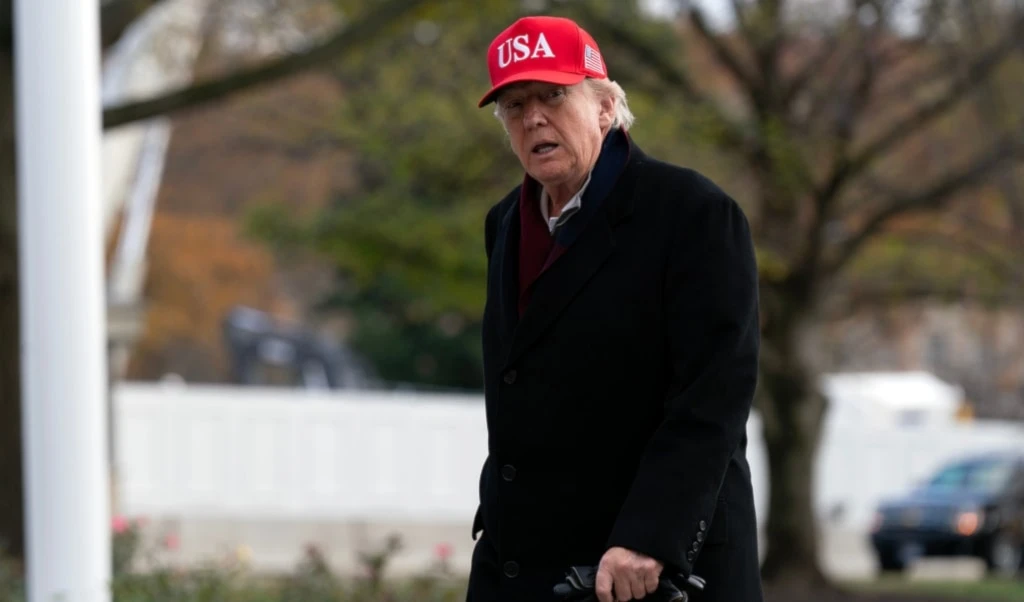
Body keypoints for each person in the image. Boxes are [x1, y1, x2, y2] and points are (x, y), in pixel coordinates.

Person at [468, 14, 763, 602]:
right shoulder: (504, 222)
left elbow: (713, 396)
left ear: (605, 107)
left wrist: (651, 537)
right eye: (514, 104)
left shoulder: (694, 214)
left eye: (554, 95)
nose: (533, 119)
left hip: (649, 569)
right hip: (522, 564)